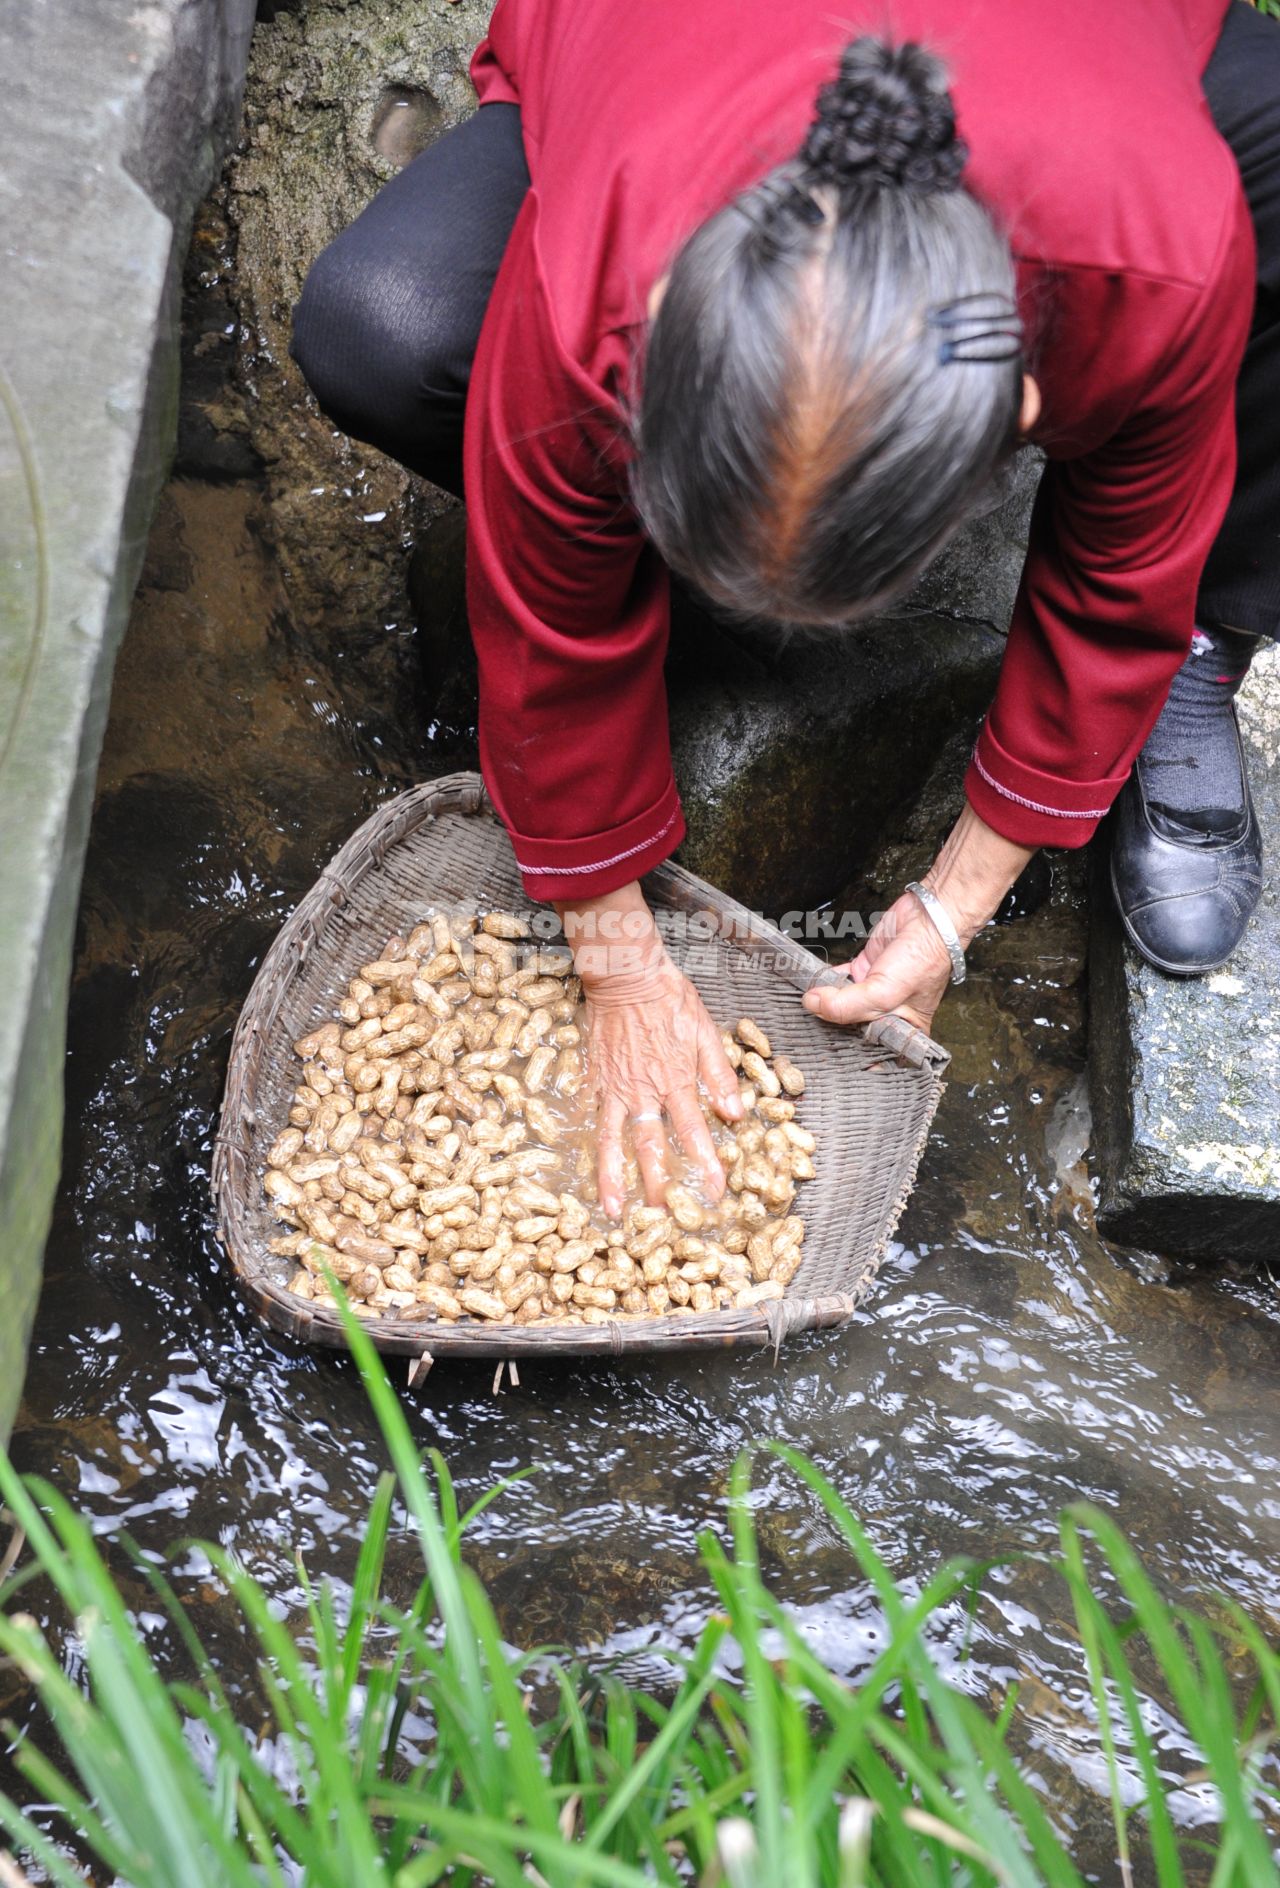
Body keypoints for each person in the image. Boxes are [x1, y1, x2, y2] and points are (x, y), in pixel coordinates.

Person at [292, 0, 1277, 1219]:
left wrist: (950, 906)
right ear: (654, 330)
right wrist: (617, 964)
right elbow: (543, 626)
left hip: (1081, 63)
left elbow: (1120, 569)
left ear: (1024, 412)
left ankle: (1207, 647)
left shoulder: (1158, 253)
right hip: (662, 61)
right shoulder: (600, 271)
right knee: (385, 329)